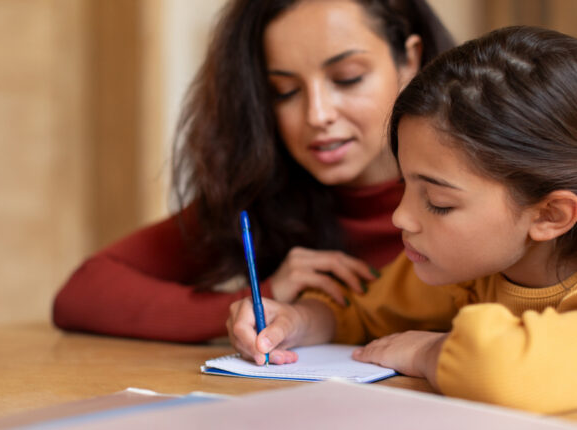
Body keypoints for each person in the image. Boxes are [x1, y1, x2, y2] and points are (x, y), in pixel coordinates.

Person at [52, 0, 454, 342]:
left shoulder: (480, 187)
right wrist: (263, 299)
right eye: (284, 91)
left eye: (347, 79)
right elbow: (82, 293)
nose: (317, 115)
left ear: (409, 60)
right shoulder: (266, 196)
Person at [227, 26, 577, 414]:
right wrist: (296, 320)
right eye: (403, 184)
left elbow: (499, 372)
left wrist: (428, 350)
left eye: (439, 202)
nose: (400, 216)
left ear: (550, 214)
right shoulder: (467, 269)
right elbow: (360, 312)